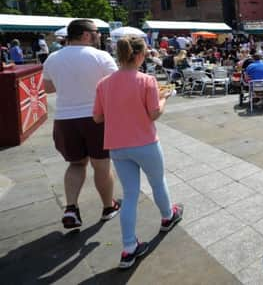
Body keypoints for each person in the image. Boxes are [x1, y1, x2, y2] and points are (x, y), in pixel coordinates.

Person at [93, 36, 183, 269]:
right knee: (157, 181)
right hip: (145, 143)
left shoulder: (104, 83)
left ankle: (129, 248)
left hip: (117, 146)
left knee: (130, 195)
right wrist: (164, 99)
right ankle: (167, 216)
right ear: (141, 55)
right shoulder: (147, 80)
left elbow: (97, 117)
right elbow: (153, 113)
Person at [42, 19, 120, 229]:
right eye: (96, 32)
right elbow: (115, 86)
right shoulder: (100, 56)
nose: (99, 35)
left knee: (76, 164)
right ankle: (108, 207)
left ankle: (71, 208)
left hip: (65, 119)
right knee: (101, 165)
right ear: (86, 35)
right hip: (95, 118)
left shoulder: (53, 58)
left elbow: (48, 89)